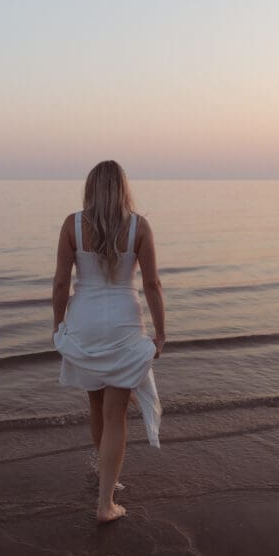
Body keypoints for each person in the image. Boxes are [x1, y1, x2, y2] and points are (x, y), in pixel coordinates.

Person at [51, 160, 166, 524]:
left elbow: (59, 284)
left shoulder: (73, 225)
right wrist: (161, 333)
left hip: (84, 323)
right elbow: (152, 285)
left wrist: (59, 326)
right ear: (122, 188)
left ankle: (108, 481)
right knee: (115, 413)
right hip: (122, 324)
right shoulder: (139, 227)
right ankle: (106, 503)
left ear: (91, 188)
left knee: (97, 405)